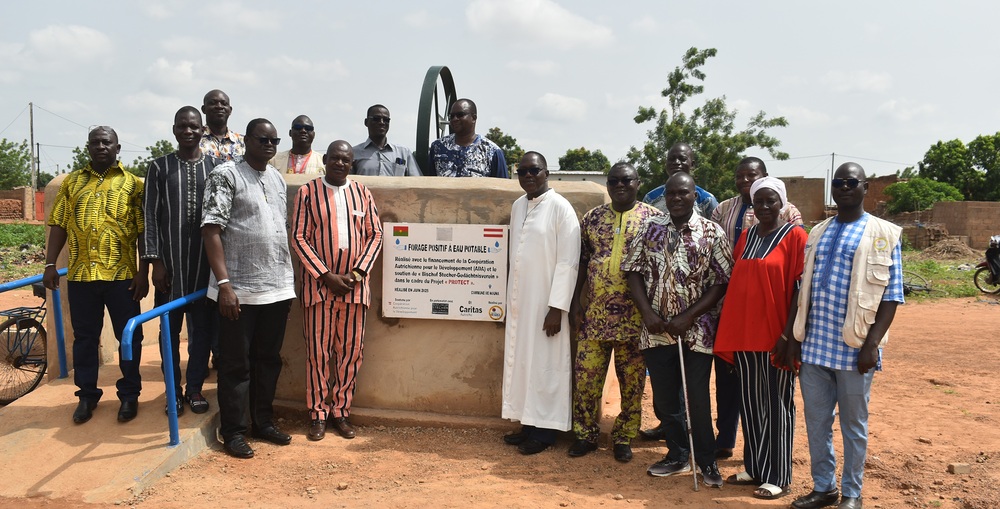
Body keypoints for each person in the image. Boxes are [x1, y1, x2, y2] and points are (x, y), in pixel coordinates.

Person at [787, 162, 904, 509]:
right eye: (838, 183)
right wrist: (795, 337)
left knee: (854, 427)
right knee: (817, 423)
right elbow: (803, 288)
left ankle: (852, 493)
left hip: (854, 349)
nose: (843, 188)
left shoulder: (884, 234)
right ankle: (824, 487)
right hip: (815, 347)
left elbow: (891, 295)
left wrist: (872, 346)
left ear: (865, 187)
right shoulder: (819, 231)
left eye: (851, 182)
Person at [623, 172, 732, 488]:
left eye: (682, 193)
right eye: (671, 193)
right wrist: (647, 314)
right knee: (665, 400)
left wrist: (689, 316)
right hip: (656, 329)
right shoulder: (650, 228)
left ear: (694, 195)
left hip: (697, 330)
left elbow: (722, 280)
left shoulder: (711, 232)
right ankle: (677, 455)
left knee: (697, 398)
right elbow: (633, 271)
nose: (676, 198)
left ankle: (707, 461)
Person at [202, 118, 297, 459]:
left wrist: (287, 284)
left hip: (275, 288)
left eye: (275, 140)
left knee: (268, 360)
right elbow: (212, 230)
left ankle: (263, 422)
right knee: (235, 365)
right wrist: (225, 285)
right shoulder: (226, 174)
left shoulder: (276, 177)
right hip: (238, 291)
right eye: (263, 139)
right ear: (247, 142)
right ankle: (234, 431)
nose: (270, 144)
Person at [43, 126, 148, 424]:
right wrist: (50, 264)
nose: (100, 146)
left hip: (122, 276)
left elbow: (143, 231)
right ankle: (87, 395)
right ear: (87, 148)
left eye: (107, 142)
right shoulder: (73, 183)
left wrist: (143, 272)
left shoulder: (133, 185)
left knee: (129, 338)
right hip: (80, 276)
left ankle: (129, 395)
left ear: (117, 148)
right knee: (85, 339)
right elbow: (59, 224)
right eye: (95, 143)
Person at [713, 176, 807, 500]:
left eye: (771, 201)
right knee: (751, 403)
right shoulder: (747, 236)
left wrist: (788, 335)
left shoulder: (796, 236)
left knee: (778, 403)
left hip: (776, 336)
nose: (765, 207)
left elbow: (799, 289)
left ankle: (779, 474)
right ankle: (755, 466)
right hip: (745, 334)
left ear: (782, 203)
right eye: (759, 201)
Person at [568, 163, 661, 463]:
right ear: (607, 185)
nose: (619, 185)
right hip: (594, 317)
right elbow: (582, 261)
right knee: (586, 380)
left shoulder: (653, 220)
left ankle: (623, 437)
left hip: (635, 320)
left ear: (637, 183)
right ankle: (585, 435)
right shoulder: (592, 218)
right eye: (613, 181)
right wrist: (574, 303)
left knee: (632, 384)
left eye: (626, 180)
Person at [291, 140, 383, 441]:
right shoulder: (307, 193)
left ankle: (341, 412)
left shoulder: (362, 193)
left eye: (346, 159)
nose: (340, 164)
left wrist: (356, 274)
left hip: (355, 290)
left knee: (350, 354)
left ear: (352, 162)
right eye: (335, 158)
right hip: (319, 289)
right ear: (325, 160)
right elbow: (299, 238)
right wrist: (326, 275)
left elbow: (375, 236)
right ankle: (317, 414)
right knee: (317, 354)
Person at [501, 151, 580, 455]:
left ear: (547, 172)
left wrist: (557, 307)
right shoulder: (518, 206)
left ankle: (546, 432)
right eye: (522, 171)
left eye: (534, 170)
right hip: (522, 301)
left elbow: (568, 262)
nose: (528, 176)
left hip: (548, 307)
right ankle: (529, 423)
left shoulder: (561, 208)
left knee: (547, 364)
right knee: (523, 363)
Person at [143, 106, 219, 415]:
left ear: (203, 130)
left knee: (201, 333)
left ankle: (196, 388)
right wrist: (155, 263)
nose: (188, 131)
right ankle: (172, 392)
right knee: (168, 334)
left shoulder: (216, 167)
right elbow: (149, 217)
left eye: (193, 126)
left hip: (203, 268)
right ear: (174, 130)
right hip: (170, 271)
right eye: (182, 126)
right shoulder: (159, 167)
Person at [428, 98, 508, 178]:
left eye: (460, 115)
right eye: (452, 116)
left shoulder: (492, 151)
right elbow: (428, 182)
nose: (455, 119)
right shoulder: (438, 147)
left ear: (473, 118)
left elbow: (503, 186)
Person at [641, 142, 718, 220]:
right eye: (671, 159)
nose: (676, 162)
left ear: (692, 164)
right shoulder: (651, 199)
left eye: (682, 159)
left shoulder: (707, 200)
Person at [352, 104, 421, 176]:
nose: (382, 122)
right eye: (376, 119)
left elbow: (417, 181)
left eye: (386, 120)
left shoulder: (403, 152)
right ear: (366, 122)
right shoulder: (354, 153)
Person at [200, 89, 244, 162]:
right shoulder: (195, 139)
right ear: (203, 109)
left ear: (230, 110)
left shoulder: (243, 142)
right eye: (213, 103)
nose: (219, 106)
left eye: (224, 103)